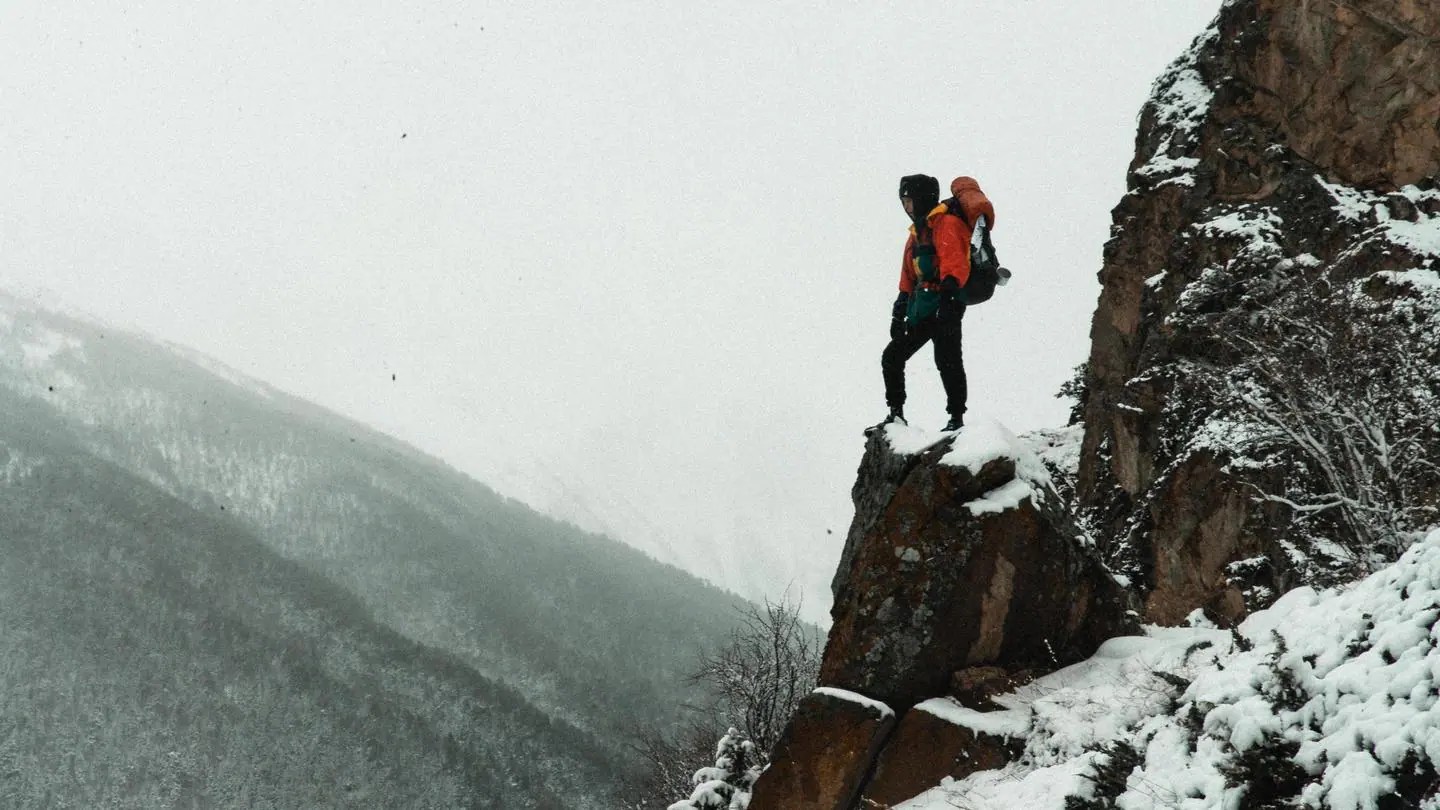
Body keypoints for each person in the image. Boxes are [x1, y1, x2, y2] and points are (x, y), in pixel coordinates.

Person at [870, 175, 995, 434]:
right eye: (903, 202)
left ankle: (956, 419)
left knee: (947, 360)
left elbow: (955, 265)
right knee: (893, 357)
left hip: (946, 304)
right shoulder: (917, 233)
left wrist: (948, 301)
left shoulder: (946, 224)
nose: (906, 207)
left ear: (922, 198)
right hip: (925, 307)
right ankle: (896, 415)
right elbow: (908, 277)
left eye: (909, 201)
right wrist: (899, 310)